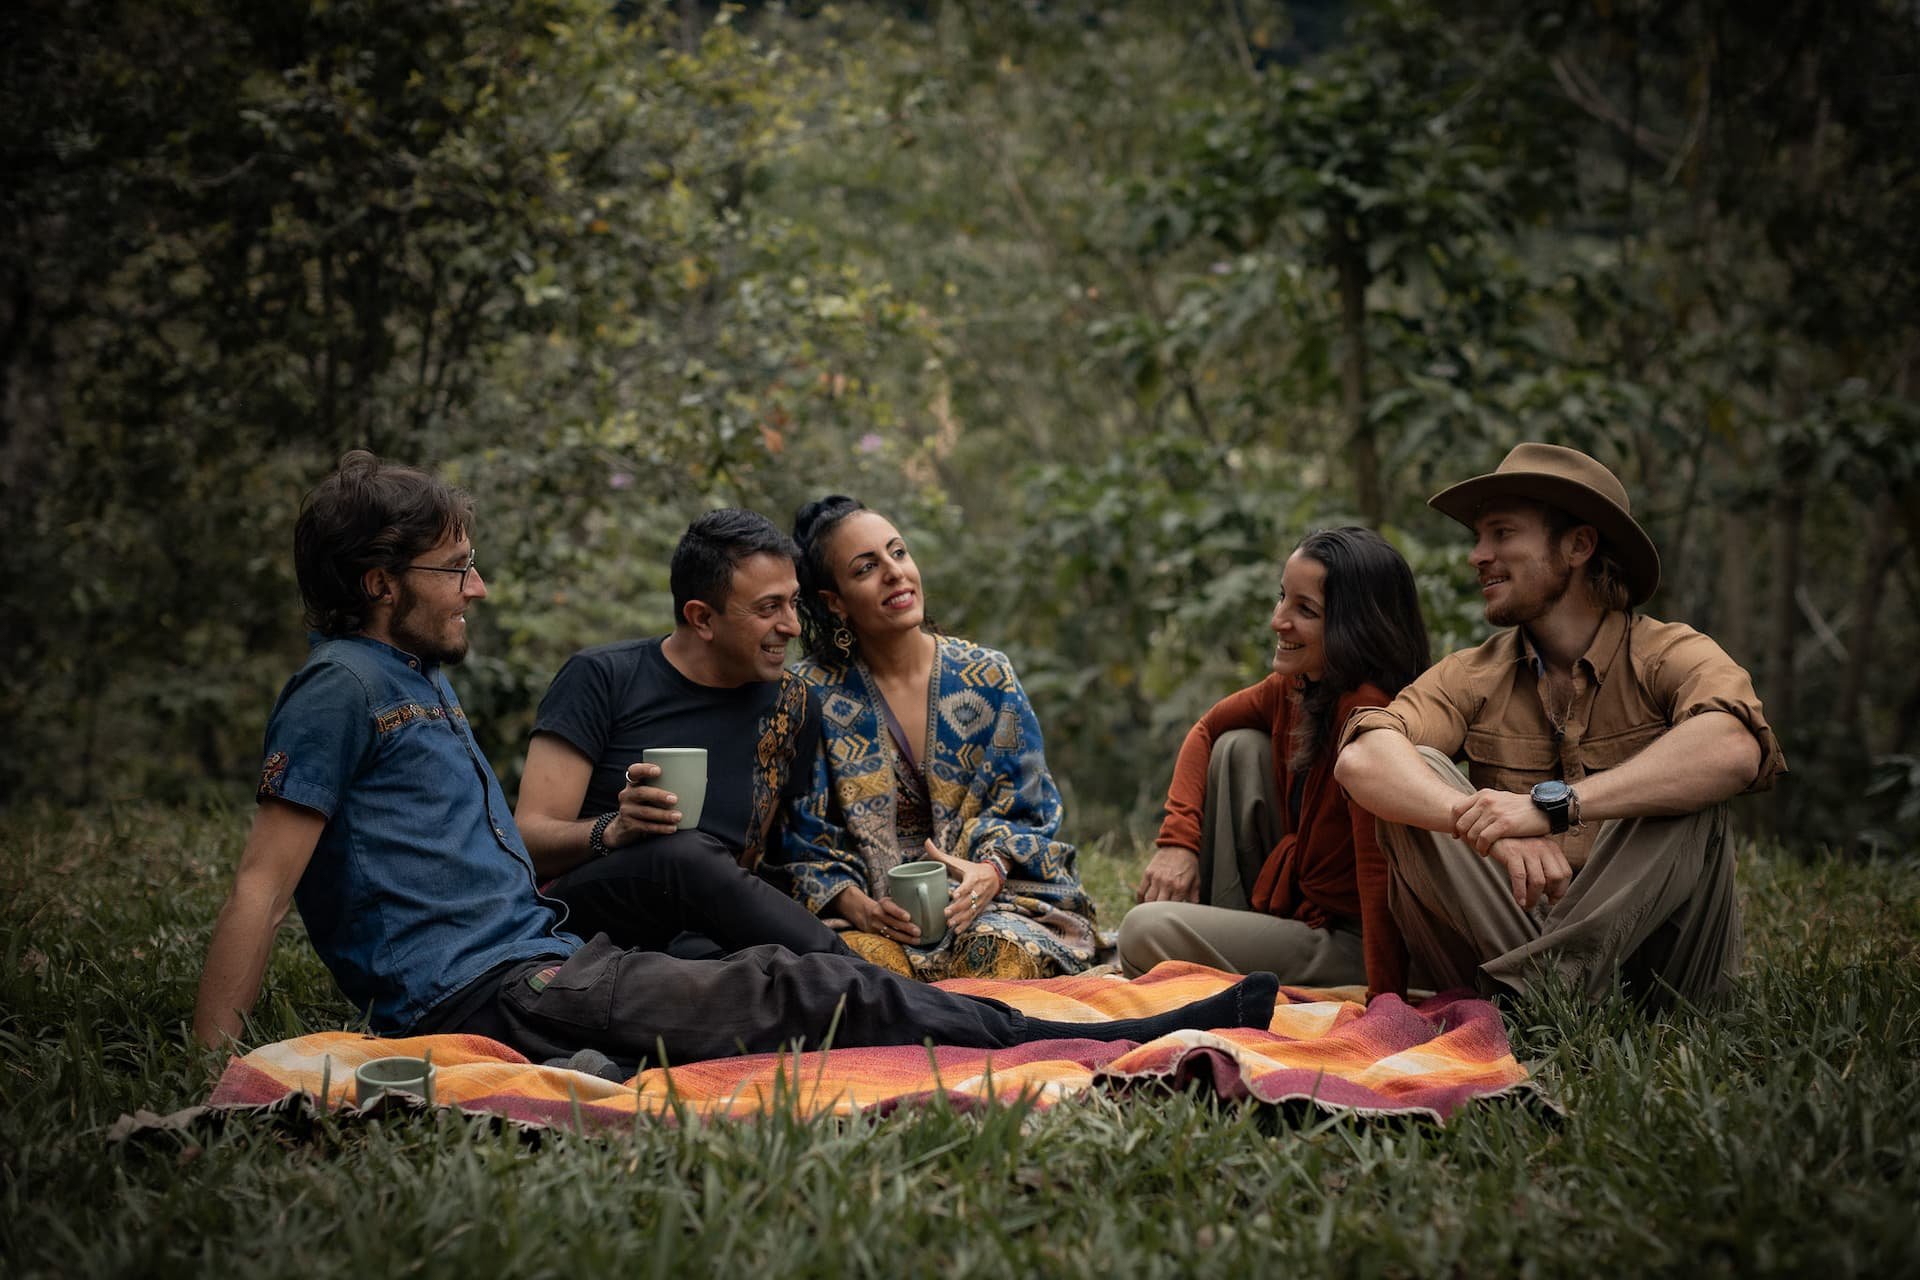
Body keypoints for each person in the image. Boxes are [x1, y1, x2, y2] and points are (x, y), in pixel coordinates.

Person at [191, 452, 1281, 1070]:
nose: (475, 589)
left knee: (768, 967)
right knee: (791, 985)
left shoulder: (415, 683)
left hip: (541, 952)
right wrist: (214, 1064)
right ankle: (1124, 1041)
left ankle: (1097, 1029)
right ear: (382, 581)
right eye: (455, 569)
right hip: (501, 983)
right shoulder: (342, 689)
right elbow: (261, 881)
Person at [1333, 443, 1786, 1007]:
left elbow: (1734, 749)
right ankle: (1555, 997)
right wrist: (1482, 825)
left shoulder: (1671, 653)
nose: (1477, 555)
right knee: (1412, 767)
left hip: (1661, 974)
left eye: (1501, 534)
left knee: (1688, 774)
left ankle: (1539, 995)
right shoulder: (1472, 674)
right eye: (1479, 538)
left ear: (1578, 545)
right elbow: (1361, 757)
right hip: (1510, 931)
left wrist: (1552, 805)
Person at [768, 496, 1098, 981]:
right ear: (834, 602)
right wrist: (860, 908)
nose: (894, 573)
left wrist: (991, 871)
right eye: (866, 569)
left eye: (898, 553)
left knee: (996, 955)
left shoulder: (990, 676)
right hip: (874, 919)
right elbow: (800, 840)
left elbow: (1028, 805)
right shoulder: (808, 695)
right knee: (855, 970)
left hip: (992, 903)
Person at [513, 510, 846, 961]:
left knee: (776, 974)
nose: (792, 626)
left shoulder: (794, 707)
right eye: (770, 608)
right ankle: (872, 983)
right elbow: (527, 842)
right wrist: (612, 829)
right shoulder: (602, 678)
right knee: (683, 852)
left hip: (705, 932)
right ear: (702, 618)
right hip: (586, 925)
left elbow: (779, 853)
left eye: (793, 602)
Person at [1120, 528, 1430, 997]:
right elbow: (1206, 728)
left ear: (1355, 625)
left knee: (1143, 931)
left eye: (1305, 610)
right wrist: (1177, 842)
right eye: (1282, 598)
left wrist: (1386, 1000)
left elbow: (1377, 881)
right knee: (1237, 745)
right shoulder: (1299, 684)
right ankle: (1232, 938)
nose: (1277, 621)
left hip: (1356, 945)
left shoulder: (1369, 721)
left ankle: (1238, 970)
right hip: (1300, 903)